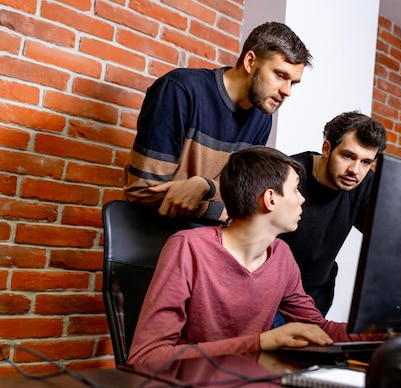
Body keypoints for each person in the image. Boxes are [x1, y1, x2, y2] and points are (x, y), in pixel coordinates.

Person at [126, 146, 385, 365]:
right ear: (270, 199)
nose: (302, 199)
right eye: (296, 189)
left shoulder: (281, 255)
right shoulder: (189, 248)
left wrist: (385, 334)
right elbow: (146, 356)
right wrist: (260, 342)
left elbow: (319, 328)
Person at [123, 22, 312, 223]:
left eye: (293, 82)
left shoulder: (262, 115)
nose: (287, 91)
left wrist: (206, 186)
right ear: (250, 61)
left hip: (213, 240)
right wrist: (218, 211)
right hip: (151, 235)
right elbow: (142, 191)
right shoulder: (180, 91)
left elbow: (244, 195)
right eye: (280, 75)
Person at [279, 111, 387, 315]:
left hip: (314, 302)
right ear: (327, 148)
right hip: (272, 297)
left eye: (366, 162)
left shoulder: (364, 184)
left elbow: (385, 236)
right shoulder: (288, 175)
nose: (355, 170)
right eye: (348, 156)